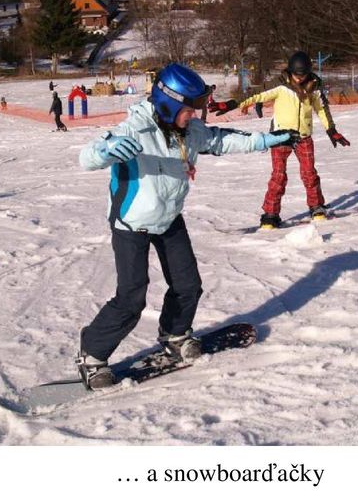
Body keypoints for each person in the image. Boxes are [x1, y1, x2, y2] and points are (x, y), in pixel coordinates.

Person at [75, 62, 298, 390]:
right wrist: (104, 151)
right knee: (131, 297)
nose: (195, 116)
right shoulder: (134, 130)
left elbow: (221, 141)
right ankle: (92, 355)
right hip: (131, 222)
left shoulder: (190, 131)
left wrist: (267, 140)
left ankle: (175, 335)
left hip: (168, 218)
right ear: (168, 104)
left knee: (188, 284)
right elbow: (86, 157)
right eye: (190, 109)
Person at [234, 50, 351, 228]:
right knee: (278, 176)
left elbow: (321, 109)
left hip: (304, 137)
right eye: (296, 75)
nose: (299, 78)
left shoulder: (314, 86)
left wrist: (331, 130)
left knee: (309, 173)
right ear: (290, 72)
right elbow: (258, 94)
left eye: (302, 75)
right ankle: (270, 214)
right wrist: (234, 103)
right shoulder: (281, 85)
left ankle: (316, 206)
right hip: (280, 136)